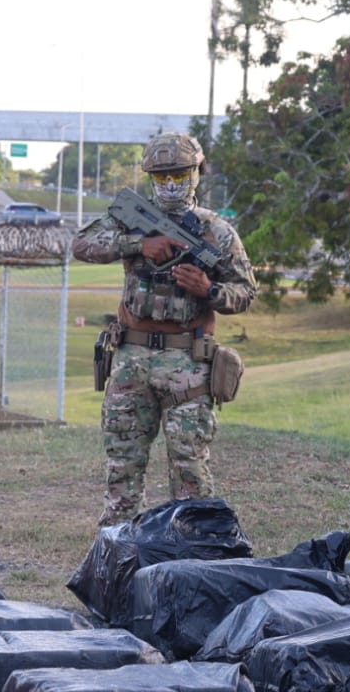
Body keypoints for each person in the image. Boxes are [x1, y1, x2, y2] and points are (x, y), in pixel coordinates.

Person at [72, 132, 257, 526]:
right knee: (123, 460)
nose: (171, 184)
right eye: (162, 177)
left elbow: (245, 292)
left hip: (187, 360)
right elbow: (82, 244)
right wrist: (139, 244)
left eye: (180, 175)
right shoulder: (129, 219)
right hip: (131, 357)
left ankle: (193, 549)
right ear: (150, 179)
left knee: (190, 465)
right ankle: (116, 547)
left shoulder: (216, 233)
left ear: (196, 174)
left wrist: (208, 290)